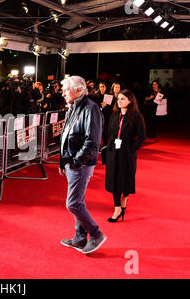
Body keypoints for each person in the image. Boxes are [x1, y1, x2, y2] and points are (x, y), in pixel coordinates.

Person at [59, 76, 106, 254]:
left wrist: (75, 161)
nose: (62, 92)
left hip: (81, 164)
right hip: (73, 162)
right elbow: (67, 135)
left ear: (79, 90)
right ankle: (79, 239)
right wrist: (63, 161)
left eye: (66, 89)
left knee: (73, 204)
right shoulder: (74, 107)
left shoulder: (90, 108)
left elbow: (92, 143)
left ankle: (96, 234)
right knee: (78, 201)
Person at [105, 89, 146, 222]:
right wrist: (108, 148)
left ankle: (124, 200)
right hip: (113, 153)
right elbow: (110, 133)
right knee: (114, 180)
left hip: (127, 154)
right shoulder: (114, 115)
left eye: (123, 99)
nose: (119, 101)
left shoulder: (136, 117)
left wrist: (131, 149)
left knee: (126, 179)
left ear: (130, 100)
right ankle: (117, 209)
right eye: (119, 99)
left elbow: (142, 137)